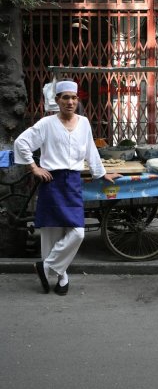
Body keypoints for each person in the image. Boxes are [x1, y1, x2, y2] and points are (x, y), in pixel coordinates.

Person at [14, 80, 122, 295]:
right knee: (51, 233)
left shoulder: (83, 123)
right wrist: (34, 167)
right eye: (65, 98)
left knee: (77, 232)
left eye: (73, 98)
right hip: (50, 182)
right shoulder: (46, 124)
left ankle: (45, 267)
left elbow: (91, 150)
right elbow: (21, 143)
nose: (70, 102)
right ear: (57, 101)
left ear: (77, 100)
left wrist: (101, 173)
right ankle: (61, 276)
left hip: (72, 182)